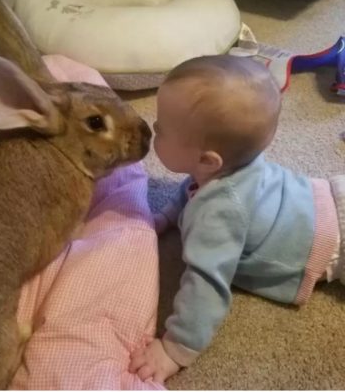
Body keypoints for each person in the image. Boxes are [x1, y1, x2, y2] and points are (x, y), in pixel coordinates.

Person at [129, 55, 344, 382]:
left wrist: (176, 347)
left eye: (160, 130)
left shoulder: (219, 211)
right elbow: (190, 186)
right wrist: (166, 217)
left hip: (335, 241)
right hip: (329, 194)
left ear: (207, 160)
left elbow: (207, 283)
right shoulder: (225, 167)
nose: (151, 130)